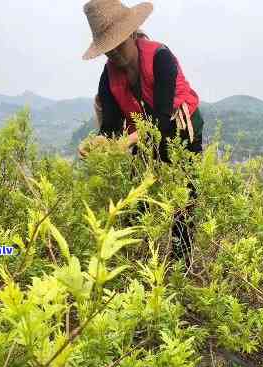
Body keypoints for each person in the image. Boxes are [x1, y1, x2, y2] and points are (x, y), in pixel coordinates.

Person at [82, 0, 204, 263]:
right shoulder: (109, 75)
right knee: (137, 194)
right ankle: (138, 259)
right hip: (141, 133)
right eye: (107, 48)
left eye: (118, 44)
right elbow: (111, 127)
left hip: (182, 128)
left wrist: (125, 142)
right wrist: (97, 143)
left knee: (184, 196)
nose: (113, 53)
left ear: (132, 34)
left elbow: (161, 117)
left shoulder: (161, 57)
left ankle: (180, 263)